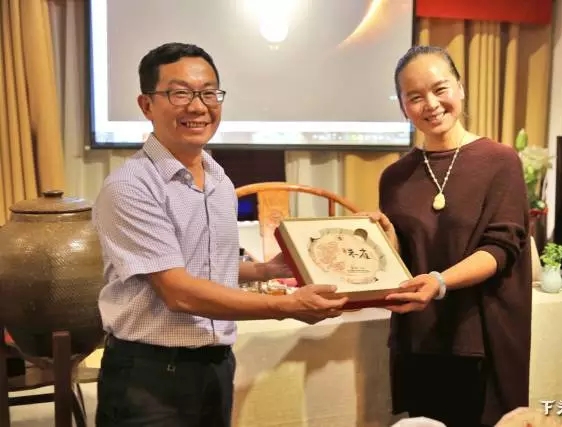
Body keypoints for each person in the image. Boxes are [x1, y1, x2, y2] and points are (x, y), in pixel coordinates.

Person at [92, 42, 347, 427]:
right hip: (150, 377)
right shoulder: (131, 186)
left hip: (216, 367)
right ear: (146, 106)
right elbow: (178, 291)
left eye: (209, 93)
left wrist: (265, 271)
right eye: (180, 93)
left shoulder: (218, 179)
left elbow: (202, 264)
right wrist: (286, 307)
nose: (198, 107)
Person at [367, 45, 532, 427]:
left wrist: (440, 282)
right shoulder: (395, 177)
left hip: (482, 336)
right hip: (419, 339)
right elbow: (406, 259)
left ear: (460, 88)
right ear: (403, 107)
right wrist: (386, 243)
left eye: (440, 89)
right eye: (415, 97)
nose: (431, 104)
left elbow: (501, 248)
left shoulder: (500, 160)